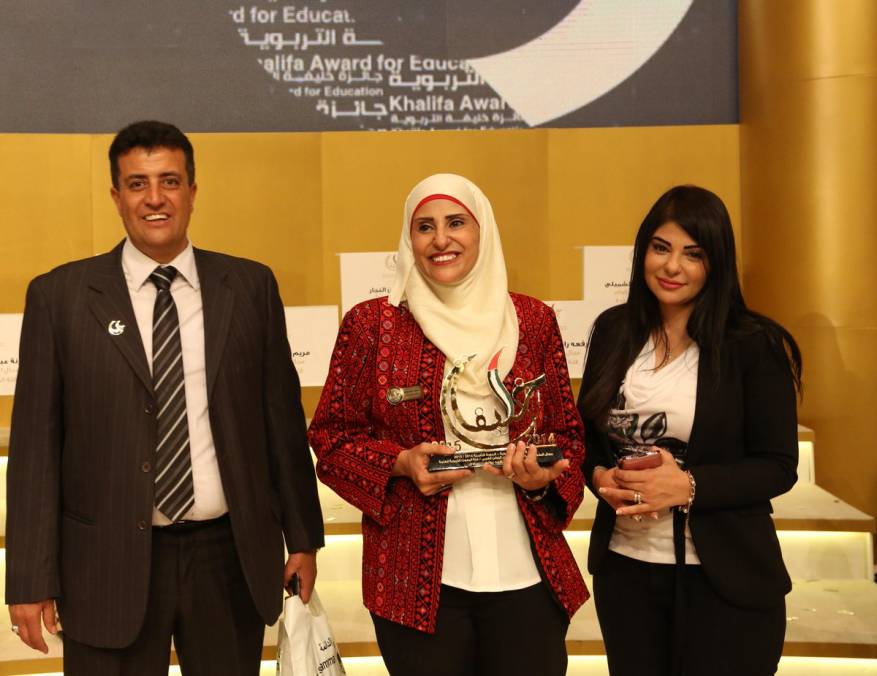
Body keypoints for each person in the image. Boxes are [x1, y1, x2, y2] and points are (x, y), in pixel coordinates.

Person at [5, 120, 325, 675]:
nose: (155, 198)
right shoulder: (60, 298)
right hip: (104, 563)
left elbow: (281, 424)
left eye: (170, 181)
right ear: (116, 196)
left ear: (192, 192)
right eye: (138, 184)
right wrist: (30, 578)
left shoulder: (250, 287)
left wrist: (303, 538)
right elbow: (35, 448)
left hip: (228, 558)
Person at [308, 173, 588, 676]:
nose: (441, 239)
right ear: (408, 239)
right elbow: (330, 438)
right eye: (425, 227)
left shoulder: (534, 321)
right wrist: (401, 462)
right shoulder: (373, 325)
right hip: (413, 583)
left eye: (456, 223)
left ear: (483, 231)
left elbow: (568, 436)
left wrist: (543, 479)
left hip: (527, 573)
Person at [577, 185, 803, 676]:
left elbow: (778, 465)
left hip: (725, 580)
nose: (672, 266)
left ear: (716, 263)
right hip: (626, 572)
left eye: (693, 254)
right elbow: (588, 440)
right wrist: (599, 476)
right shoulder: (614, 330)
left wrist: (688, 486)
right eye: (661, 248)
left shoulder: (753, 343)